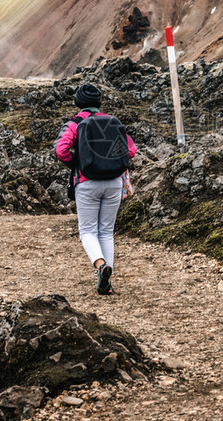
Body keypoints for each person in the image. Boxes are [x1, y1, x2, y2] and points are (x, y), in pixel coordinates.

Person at [54, 84, 136, 295]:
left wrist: (78, 162)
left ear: (78, 102)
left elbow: (61, 150)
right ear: (99, 102)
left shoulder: (74, 124)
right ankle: (107, 282)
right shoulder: (112, 122)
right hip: (114, 182)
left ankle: (101, 266)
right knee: (106, 231)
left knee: (88, 230)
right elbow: (131, 151)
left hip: (87, 182)